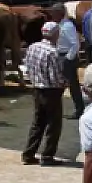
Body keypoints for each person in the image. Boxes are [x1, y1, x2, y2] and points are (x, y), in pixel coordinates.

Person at [21, 22, 66, 166]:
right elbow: (55, 77)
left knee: (38, 122)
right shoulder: (53, 52)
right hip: (51, 91)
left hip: (37, 89)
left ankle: (28, 153)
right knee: (54, 124)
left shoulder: (32, 47)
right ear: (55, 34)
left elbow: (27, 69)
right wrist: (64, 83)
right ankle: (47, 156)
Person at [51, 3, 84, 120]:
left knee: (72, 85)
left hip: (67, 57)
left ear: (60, 13)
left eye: (54, 13)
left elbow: (75, 44)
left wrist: (68, 58)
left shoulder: (68, 26)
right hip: (60, 55)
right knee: (60, 84)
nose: (52, 15)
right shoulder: (58, 25)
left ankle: (79, 109)